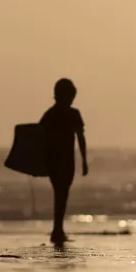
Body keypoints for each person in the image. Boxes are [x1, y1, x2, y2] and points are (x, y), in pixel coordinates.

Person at [40, 78, 88, 246]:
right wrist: (84, 160)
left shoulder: (51, 114)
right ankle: (57, 230)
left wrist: (84, 160)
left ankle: (57, 229)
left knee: (60, 194)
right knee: (61, 194)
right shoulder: (69, 114)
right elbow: (80, 138)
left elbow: (39, 136)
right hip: (62, 160)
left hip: (59, 160)